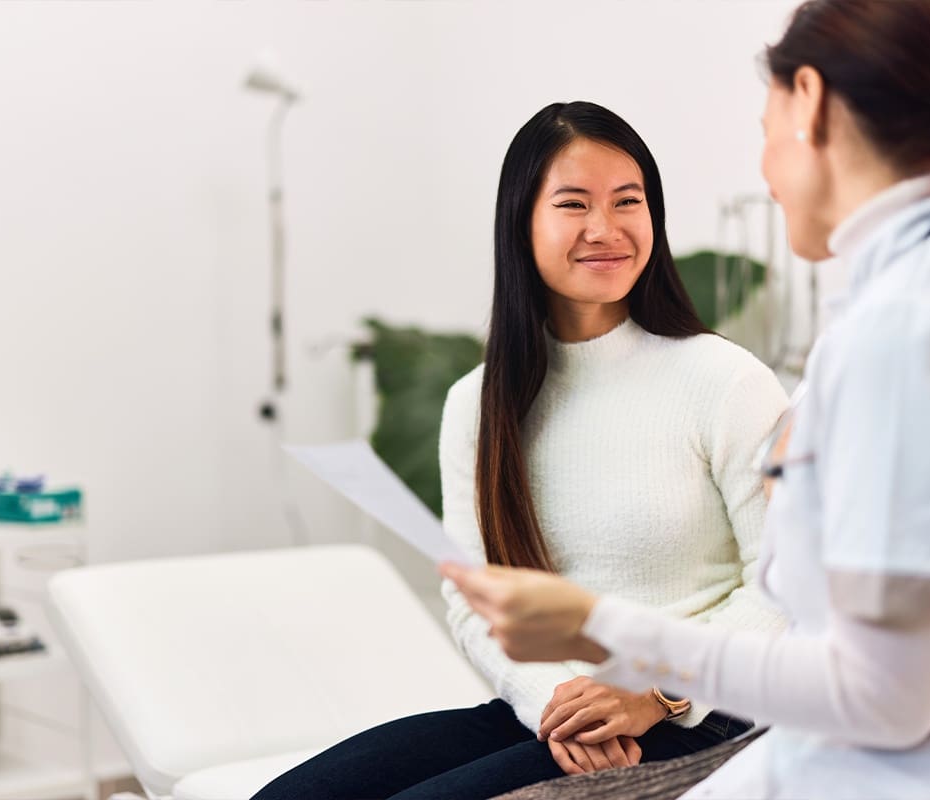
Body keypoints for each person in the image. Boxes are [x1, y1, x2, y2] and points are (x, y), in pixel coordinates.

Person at [443, 1, 930, 798]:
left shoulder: (911, 330)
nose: (763, 166)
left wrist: (608, 634)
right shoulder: (907, 311)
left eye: (765, 127)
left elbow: (887, 697)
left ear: (810, 99)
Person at [251, 101, 788, 800]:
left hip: (702, 717)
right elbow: (476, 601)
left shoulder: (725, 382)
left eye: (629, 202)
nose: (606, 228)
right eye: (573, 204)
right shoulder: (479, 403)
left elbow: (785, 586)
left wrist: (654, 693)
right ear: (521, 223)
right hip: (551, 711)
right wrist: (557, 702)